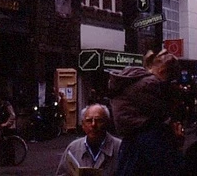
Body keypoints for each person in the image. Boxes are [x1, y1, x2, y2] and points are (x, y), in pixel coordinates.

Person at [108, 48, 184, 176]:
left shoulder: (134, 79)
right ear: (163, 71)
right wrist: (177, 144)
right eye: (170, 79)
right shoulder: (151, 85)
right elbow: (171, 168)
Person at [55, 103, 122, 176]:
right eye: (89, 121)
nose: (93, 124)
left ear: (107, 123)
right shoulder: (73, 148)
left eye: (98, 120)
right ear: (83, 125)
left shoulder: (120, 148)